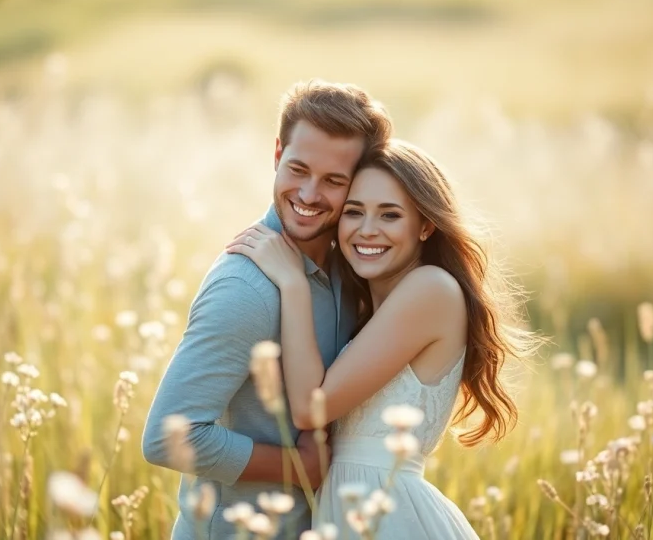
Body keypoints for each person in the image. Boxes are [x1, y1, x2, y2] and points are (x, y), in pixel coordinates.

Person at [227, 140, 537, 539]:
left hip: (390, 517)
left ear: (425, 226)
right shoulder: (372, 308)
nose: (367, 229)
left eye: (390, 215)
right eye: (354, 211)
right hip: (353, 512)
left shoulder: (431, 289)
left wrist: (293, 283)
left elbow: (309, 409)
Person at [141, 80, 392, 539]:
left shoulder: (347, 268)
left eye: (334, 180)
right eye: (298, 169)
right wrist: (298, 468)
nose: (309, 194)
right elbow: (166, 436)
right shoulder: (245, 288)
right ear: (277, 154)